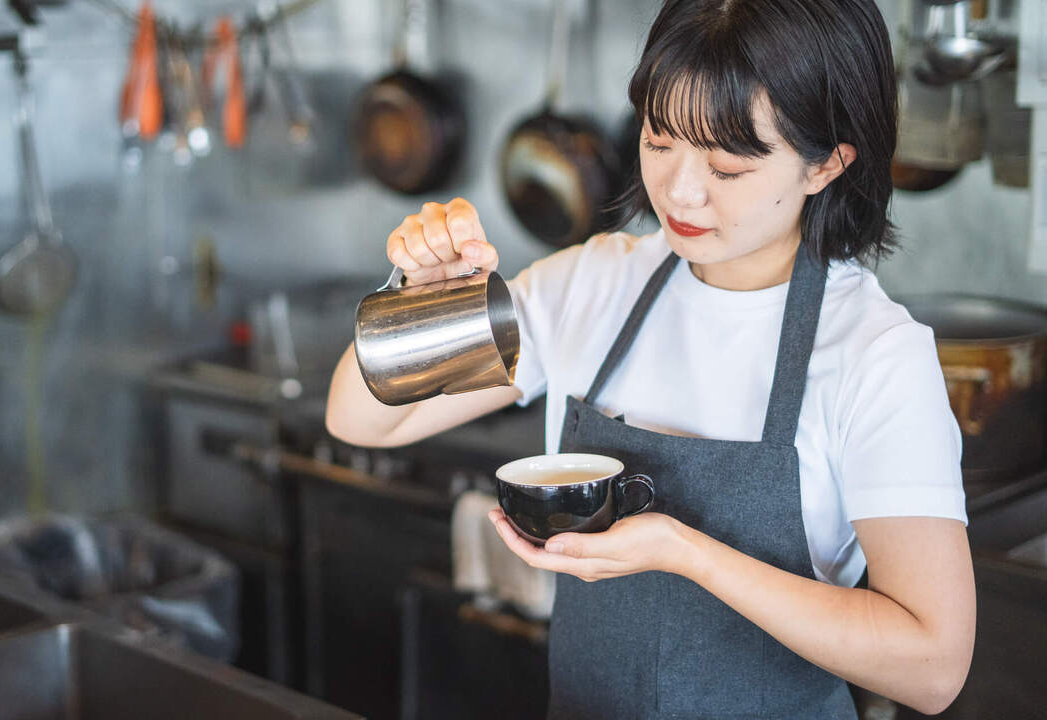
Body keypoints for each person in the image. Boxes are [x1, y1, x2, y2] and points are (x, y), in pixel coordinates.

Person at [325, 0, 976, 716]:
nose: (679, 191)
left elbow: (932, 666)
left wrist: (686, 553)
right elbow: (363, 421)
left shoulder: (876, 355)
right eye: (660, 139)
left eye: (727, 165)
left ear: (826, 164)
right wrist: (426, 303)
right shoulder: (593, 284)